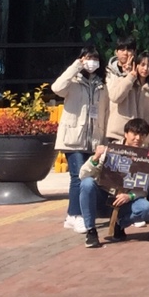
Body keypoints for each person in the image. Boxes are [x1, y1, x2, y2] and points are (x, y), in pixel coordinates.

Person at [53, 47, 109, 235]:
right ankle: (78, 216)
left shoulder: (101, 84)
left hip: (93, 139)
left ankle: (71, 214)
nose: (91, 61)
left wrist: (103, 139)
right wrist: (77, 65)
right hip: (73, 138)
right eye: (87, 58)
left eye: (95, 58)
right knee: (78, 177)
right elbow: (57, 88)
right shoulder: (73, 81)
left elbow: (104, 112)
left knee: (85, 177)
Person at [78, 117, 149, 248]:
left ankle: (119, 224)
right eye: (134, 134)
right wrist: (96, 157)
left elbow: (145, 185)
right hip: (104, 197)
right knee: (87, 183)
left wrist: (130, 196)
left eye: (142, 135)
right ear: (126, 134)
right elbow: (83, 175)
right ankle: (91, 231)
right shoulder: (111, 149)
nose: (138, 138)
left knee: (146, 209)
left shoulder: (146, 156)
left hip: (126, 201)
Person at [105, 41, 149, 145]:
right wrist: (129, 76)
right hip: (119, 135)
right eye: (142, 65)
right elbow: (115, 97)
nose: (145, 69)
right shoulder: (120, 77)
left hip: (141, 139)